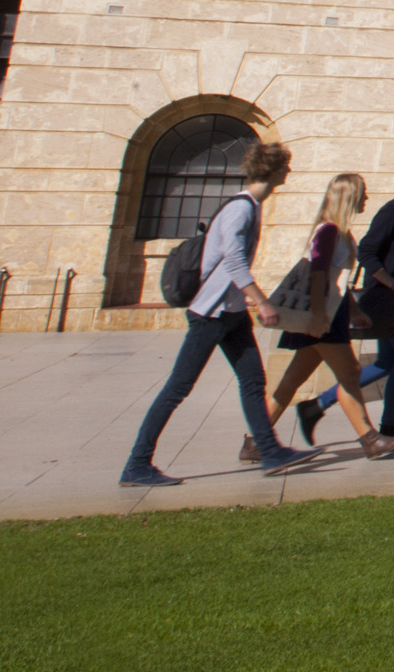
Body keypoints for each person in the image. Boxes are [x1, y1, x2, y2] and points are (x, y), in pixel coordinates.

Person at [120, 142, 308, 486]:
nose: (289, 172)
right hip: (210, 314)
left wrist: (244, 298)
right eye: (286, 166)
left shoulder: (252, 206)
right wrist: (262, 300)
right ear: (273, 170)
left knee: (253, 381)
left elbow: (228, 265)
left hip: (231, 312)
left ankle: (269, 451)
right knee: (177, 389)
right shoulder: (242, 209)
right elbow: (233, 261)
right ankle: (137, 464)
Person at [261, 174, 393, 460]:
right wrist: (319, 317)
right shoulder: (329, 231)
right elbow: (318, 274)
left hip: (328, 315)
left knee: (291, 380)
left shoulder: (340, 232)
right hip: (323, 319)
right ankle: (370, 439)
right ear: (349, 197)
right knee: (350, 375)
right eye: (363, 194)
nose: (366, 199)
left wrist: (355, 311)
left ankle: (255, 440)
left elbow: (338, 280)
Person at [307, 163, 394, 447]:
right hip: (390, 299)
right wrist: (393, 283)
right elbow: (368, 251)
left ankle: (317, 404)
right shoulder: (391, 212)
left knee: (387, 361)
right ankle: (389, 426)